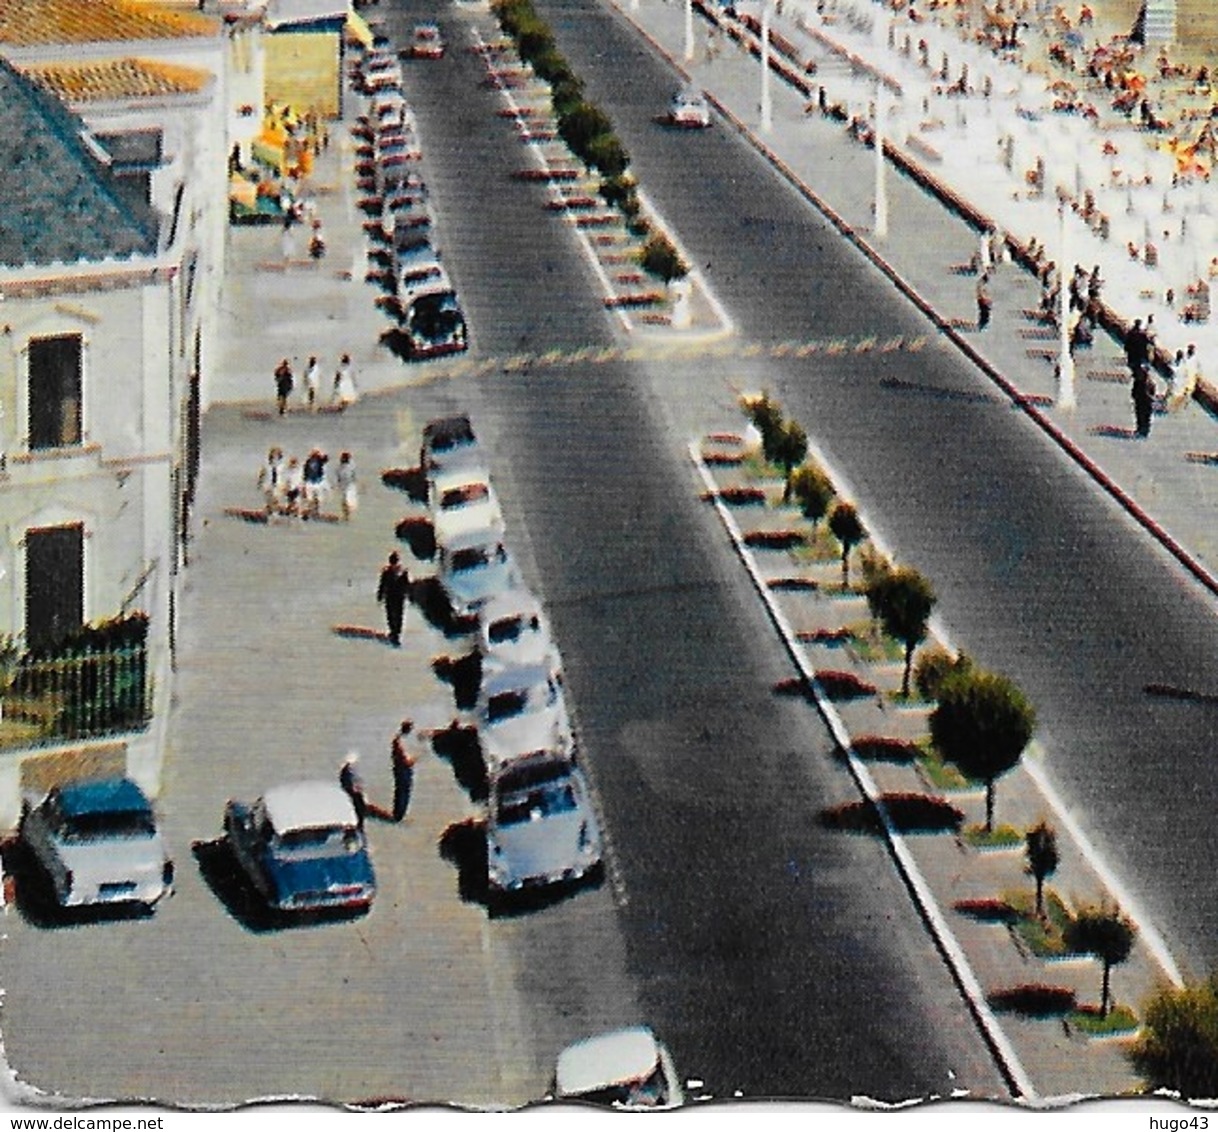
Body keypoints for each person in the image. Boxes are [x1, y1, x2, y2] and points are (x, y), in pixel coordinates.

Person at [376, 551, 410, 646]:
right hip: (397, 596)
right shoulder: (401, 571)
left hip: (393, 596)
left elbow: (382, 585)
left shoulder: (389, 572)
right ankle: (395, 632)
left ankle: (394, 632)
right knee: (396, 614)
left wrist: (380, 596)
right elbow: (406, 585)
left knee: (393, 614)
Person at [390, 720, 418, 823]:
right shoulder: (399, 741)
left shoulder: (399, 740)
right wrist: (412, 761)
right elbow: (402, 759)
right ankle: (398, 815)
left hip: (402, 770)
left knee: (402, 791)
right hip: (403, 771)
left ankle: (399, 814)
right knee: (403, 792)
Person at [340, 754, 369, 826]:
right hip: (353, 791)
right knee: (358, 806)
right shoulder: (347, 771)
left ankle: (360, 822)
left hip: (352, 791)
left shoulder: (347, 771)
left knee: (358, 806)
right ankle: (359, 822)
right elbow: (349, 782)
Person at [257, 446, 286, 516]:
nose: (275, 455)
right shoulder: (267, 463)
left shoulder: (282, 464)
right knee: (269, 501)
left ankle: (276, 514)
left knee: (275, 499)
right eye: (274, 453)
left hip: (278, 484)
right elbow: (262, 473)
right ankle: (267, 513)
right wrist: (260, 482)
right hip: (268, 484)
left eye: (277, 454)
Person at [302, 448, 329, 519]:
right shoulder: (308, 462)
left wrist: (320, 454)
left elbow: (326, 459)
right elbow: (305, 472)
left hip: (318, 481)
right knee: (309, 499)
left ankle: (317, 511)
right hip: (309, 481)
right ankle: (310, 511)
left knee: (318, 498)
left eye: (316, 454)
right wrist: (304, 483)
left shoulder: (320, 461)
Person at [335, 451, 359, 521]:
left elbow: (353, 477)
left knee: (346, 501)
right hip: (345, 486)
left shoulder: (349, 467)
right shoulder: (340, 467)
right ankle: (346, 516)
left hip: (349, 486)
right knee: (344, 501)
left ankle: (346, 516)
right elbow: (339, 478)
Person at [1132, 367, 1155, 438]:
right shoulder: (1138, 382)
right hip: (1140, 401)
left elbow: (1152, 391)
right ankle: (1141, 429)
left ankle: (1144, 430)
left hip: (1145, 402)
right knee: (1140, 416)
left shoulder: (1148, 382)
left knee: (1145, 417)